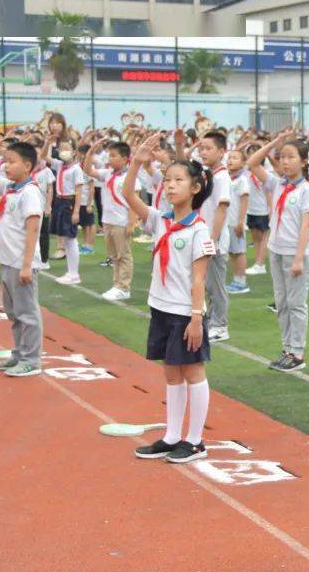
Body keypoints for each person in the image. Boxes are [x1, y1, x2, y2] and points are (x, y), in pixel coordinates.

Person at [121, 134, 216, 464]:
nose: (170, 186)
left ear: (195, 188)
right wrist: (137, 161)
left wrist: (195, 318)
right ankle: (173, 435)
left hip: (184, 312)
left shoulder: (198, 230)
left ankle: (195, 440)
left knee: (193, 372)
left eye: (178, 181)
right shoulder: (160, 220)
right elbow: (128, 194)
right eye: (167, 180)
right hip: (160, 307)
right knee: (171, 373)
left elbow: (199, 279)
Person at [247, 131, 309, 372]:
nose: (285, 162)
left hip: (294, 253)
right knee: (282, 302)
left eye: (290, 157)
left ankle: (298, 352)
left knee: (296, 303)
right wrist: (271, 145)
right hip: (276, 250)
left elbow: (306, 226)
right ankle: (287, 348)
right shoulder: (278, 183)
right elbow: (252, 163)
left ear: (304, 161)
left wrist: (298, 258)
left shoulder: (306, 190)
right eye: (282, 157)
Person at [0, 134, 46, 377]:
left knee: (27, 312)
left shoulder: (30, 192)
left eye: (12, 161)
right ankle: (19, 353)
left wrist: (27, 265)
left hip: (20, 262)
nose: (6, 165)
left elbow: (33, 228)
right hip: (7, 260)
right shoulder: (10, 187)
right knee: (14, 312)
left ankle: (31, 359)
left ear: (27, 166)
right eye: (5, 160)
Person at [84, 137, 139, 301]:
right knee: (114, 256)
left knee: (124, 255)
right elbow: (88, 170)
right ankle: (117, 285)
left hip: (121, 221)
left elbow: (134, 200)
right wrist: (90, 152)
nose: (110, 158)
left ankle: (124, 287)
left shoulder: (129, 176)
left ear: (124, 158)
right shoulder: (108, 173)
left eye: (114, 155)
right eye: (109, 155)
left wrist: (131, 222)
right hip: (108, 220)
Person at [197, 131, 232, 342]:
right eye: (201, 148)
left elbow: (222, 208)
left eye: (208, 148)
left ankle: (220, 325)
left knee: (216, 284)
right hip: (205, 236)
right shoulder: (209, 174)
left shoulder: (221, 177)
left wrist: (213, 239)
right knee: (208, 283)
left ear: (221, 151)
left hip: (214, 239)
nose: (203, 152)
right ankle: (212, 320)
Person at [47, 138, 84, 285]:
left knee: (70, 238)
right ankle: (70, 271)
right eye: (61, 149)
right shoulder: (60, 165)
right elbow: (45, 157)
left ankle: (74, 273)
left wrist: (76, 211)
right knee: (65, 238)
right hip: (60, 201)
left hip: (69, 202)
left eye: (67, 148)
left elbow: (79, 191)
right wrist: (47, 143)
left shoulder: (76, 169)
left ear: (74, 151)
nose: (63, 152)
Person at [225, 148, 252, 295]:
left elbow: (244, 201)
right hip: (227, 222)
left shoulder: (242, 180)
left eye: (235, 158)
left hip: (236, 222)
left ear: (243, 163)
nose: (230, 160)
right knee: (233, 252)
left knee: (239, 251)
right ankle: (236, 279)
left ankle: (242, 282)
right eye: (229, 157)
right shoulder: (228, 178)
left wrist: (241, 222)